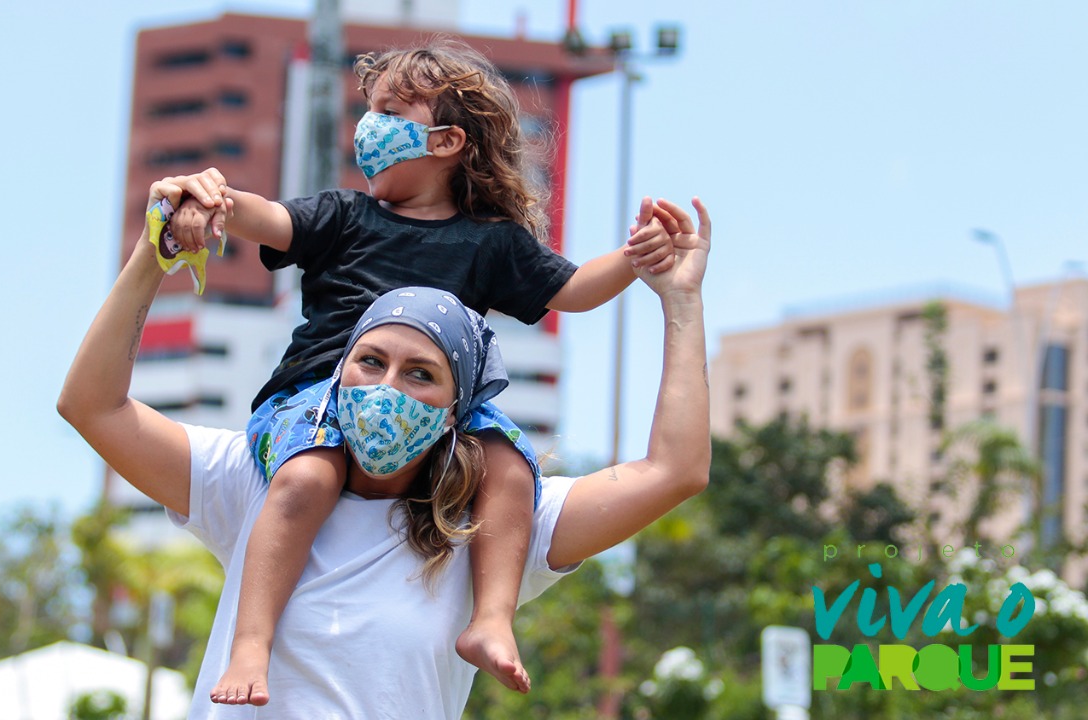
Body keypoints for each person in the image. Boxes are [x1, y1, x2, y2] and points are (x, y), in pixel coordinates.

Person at [57, 172, 712, 719]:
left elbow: (673, 471)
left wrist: (679, 302)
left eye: (420, 374)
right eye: (370, 362)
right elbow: (91, 406)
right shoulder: (259, 482)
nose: (385, 388)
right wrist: (157, 250)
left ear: (461, 411)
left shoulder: (487, 532)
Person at [161, 37, 676, 705]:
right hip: (319, 395)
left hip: (438, 410)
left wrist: (640, 255)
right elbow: (272, 219)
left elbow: (573, 291)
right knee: (309, 476)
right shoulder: (344, 216)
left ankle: (491, 620)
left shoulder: (492, 241)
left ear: (445, 142)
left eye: (390, 112)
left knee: (513, 469)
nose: (367, 127)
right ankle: (252, 644)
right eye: (368, 109)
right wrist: (214, 200)